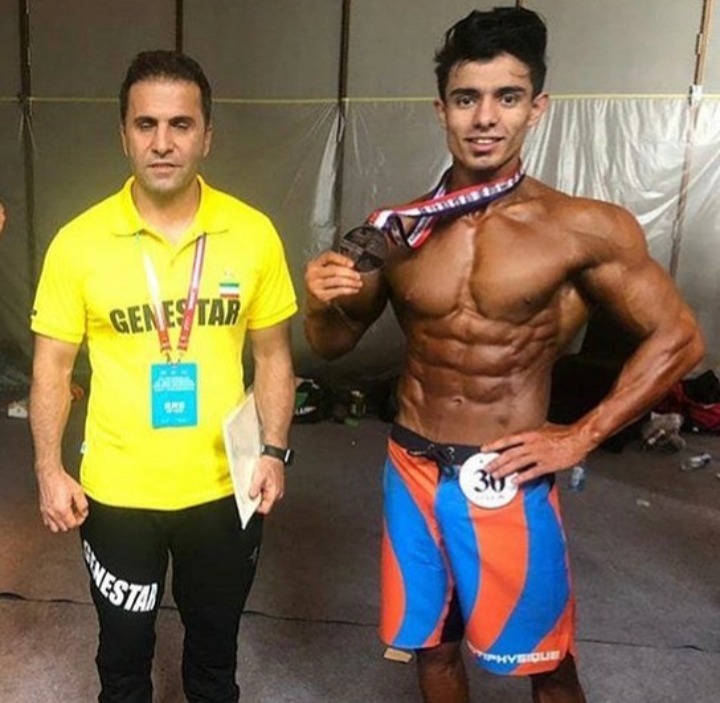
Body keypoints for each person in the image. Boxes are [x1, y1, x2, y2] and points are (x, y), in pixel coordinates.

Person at [303, 7, 703, 703]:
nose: (485, 117)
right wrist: (317, 301)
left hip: (504, 472)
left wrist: (579, 435)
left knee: (546, 660)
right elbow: (332, 343)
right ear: (441, 110)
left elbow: (680, 337)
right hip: (411, 467)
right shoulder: (396, 232)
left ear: (537, 108)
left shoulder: (581, 228)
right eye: (467, 98)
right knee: (432, 646)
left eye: (507, 97)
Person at [29, 50, 297, 703]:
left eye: (181, 124)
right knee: (123, 658)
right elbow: (52, 366)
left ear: (207, 135)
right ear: (123, 135)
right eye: (145, 124)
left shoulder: (252, 234)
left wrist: (274, 450)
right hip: (117, 494)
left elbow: (273, 357)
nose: (163, 142)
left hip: (224, 488)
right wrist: (48, 469)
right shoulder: (78, 242)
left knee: (214, 656)